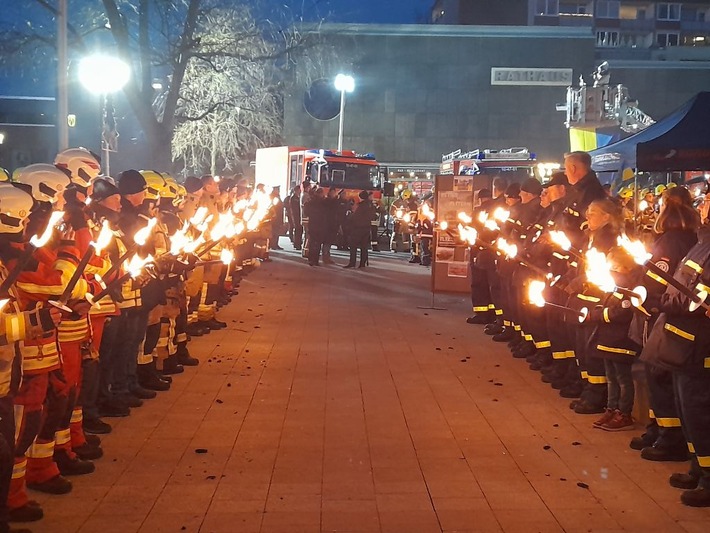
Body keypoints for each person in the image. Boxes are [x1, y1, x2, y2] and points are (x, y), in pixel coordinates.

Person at [631, 187, 700, 458]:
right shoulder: (692, 239)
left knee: (658, 374)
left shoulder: (669, 241)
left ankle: (668, 435)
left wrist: (642, 288)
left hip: (663, 315)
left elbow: (657, 280)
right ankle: (659, 428)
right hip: (673, 316)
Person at [344, 191, 374, 268]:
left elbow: (355, 217)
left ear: (361, 197)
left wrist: (350, 215)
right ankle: (362, 263)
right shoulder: (370, 205)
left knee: (353, 246)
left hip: (358, 228)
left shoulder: (361, 206)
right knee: (364, 247)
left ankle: (352, 262)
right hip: (366, 228)